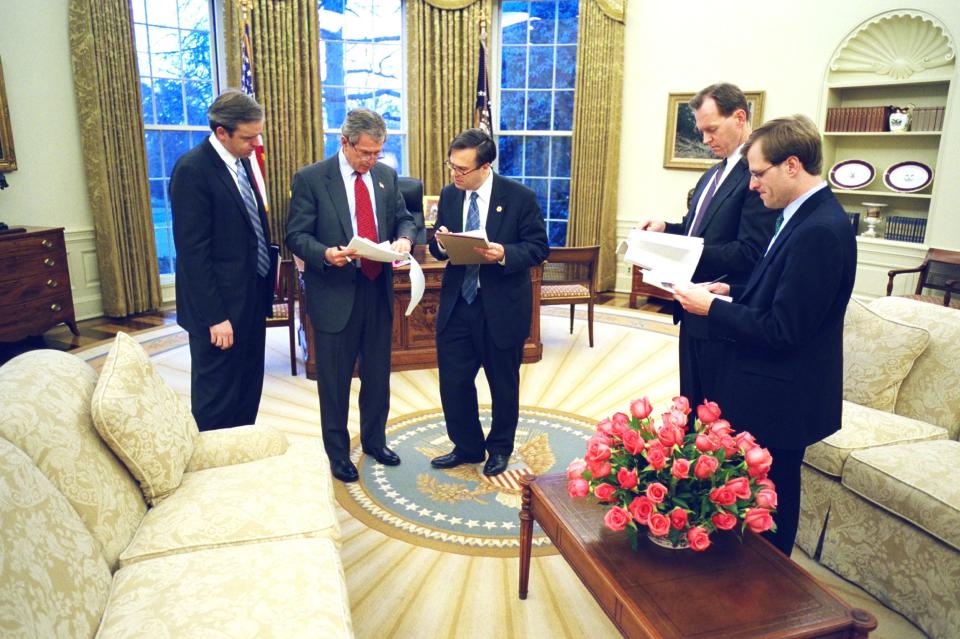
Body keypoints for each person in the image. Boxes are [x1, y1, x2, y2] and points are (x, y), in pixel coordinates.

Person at [673, 115, 857, 556]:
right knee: (755, 501)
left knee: (772, 509)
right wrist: (733, 291)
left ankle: (773, 599)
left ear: (791, 165)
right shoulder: (802, 216)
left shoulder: (818, 230)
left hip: (783, 399)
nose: (753, 185)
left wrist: (712, 308)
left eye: (758, 173)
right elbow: (781, 293)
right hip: (773, 389)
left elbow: (783, 330)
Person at [285, 109, 416, 483]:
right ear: (344, 143)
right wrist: (325, 254)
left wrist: (405, 238)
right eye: (365, 153)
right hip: (335, 291)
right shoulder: (312, 179)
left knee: (378, 375)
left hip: (377, 290)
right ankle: (338, 453)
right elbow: (296, 235)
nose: (372, 160)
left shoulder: (386, 177)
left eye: (378, 153)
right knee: (335, 379)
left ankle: (375, 440)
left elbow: (406, 218)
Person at [637, 83, 779, 410]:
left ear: (740, 117)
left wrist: (679, 253)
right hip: (691, 306)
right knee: (691, 402)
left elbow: (750, 252)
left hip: (724, 311)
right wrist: (665, 229)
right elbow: (695, 231)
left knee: (719, 413)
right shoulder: (712, 174)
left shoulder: (756, 176)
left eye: (711, 129)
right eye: (701, 131)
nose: (705, 140)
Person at [428, 129, 549, 477]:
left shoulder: (519, 197)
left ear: (485, 167)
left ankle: (499, 448)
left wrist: (503, 253)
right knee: (454, 381)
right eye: (451, 166)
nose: (454, 174)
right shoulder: (451, 194)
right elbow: (439, 243)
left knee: (503, 383)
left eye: (462, 169)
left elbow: (539, 248)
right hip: (457, 305)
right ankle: (466, 446)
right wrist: (439, 244)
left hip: (500, 306)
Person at [170, 89, 274, 431]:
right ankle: (212, 467)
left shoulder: (242, 163)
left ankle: (240, 455)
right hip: (219, 311)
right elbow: (192, 254)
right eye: (249, 137)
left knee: (247, 387)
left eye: (258, 134)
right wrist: (215, 317)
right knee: (217, 397)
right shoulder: (193, 170)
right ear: (221, 132)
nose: (256, 144)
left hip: (251, 299)